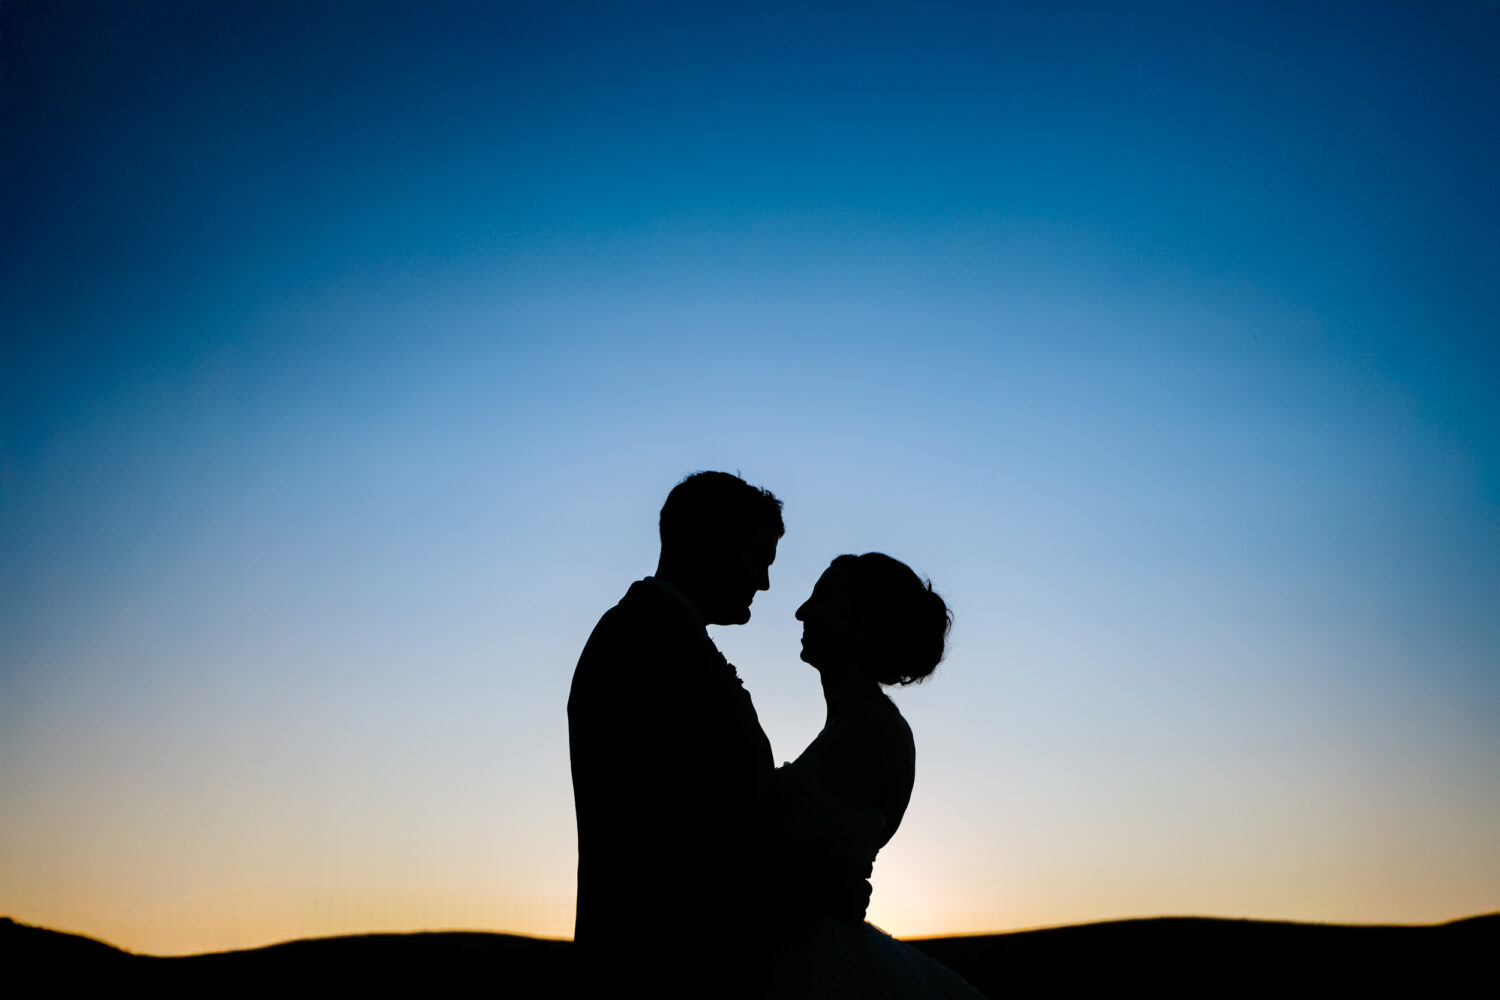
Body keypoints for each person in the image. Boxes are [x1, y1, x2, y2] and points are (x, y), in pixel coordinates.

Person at [569, 471, 862, 998]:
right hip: (661, 967)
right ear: (708, 542)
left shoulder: (660, 637)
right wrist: (815, 886)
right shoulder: (645, 645)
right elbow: (681, 829)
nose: (765, 584)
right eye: (758, 560)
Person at [762, 553, 988, 999]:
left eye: (822, 598)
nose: (801, 611)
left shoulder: (874, 734)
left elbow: (797, 873)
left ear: (862, 623)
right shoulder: (850, 726)